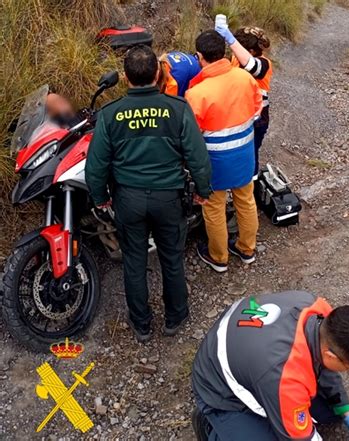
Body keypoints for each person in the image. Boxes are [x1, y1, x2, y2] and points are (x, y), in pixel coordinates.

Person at [85, 45, 211, 342]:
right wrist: (203, 190)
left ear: (126, 77)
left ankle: (141, 324)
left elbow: (96, 164)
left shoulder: (109, 115)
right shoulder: (178, 109)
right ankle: (175, 317)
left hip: (128, 199)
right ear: (158, 73)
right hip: (169, 198)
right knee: (171, 258)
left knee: (134, 261)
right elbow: (198, 156)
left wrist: (100, 197)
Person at [191, 291, 349, 441]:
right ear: (330, 355)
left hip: (246, 350)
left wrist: (347, 412)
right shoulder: (284, 377)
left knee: (329, 413)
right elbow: (301, 438)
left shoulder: (318, 311)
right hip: (217, 389)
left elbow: (327, 368)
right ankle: (211, 426)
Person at [185, 30, 262, 273]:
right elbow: (257, 111)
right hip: (244, 154)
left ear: (200, 57)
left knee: (213, 207)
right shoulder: (245, 78)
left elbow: (191, 138)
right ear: (224, 52)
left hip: (215, 162)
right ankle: (247, 249)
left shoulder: (196, 93)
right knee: (246, 201)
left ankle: (219, 257)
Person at [215, 21, 273, 178]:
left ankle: (250, 187)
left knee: (250, 156)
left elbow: (251, 66)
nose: (235, 51)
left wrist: (230, 39)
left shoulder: (264, 64)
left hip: (257, 119)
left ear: (252, 51)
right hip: (237, 115)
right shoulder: (236, 58)